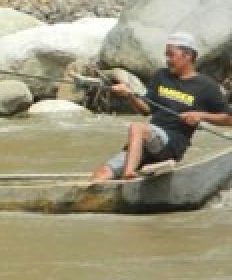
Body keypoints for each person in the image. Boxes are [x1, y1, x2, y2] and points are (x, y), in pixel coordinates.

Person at [92, 32, 231, 181]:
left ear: (188, 55)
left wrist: (201, 116)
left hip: (171, 146)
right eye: (166, 55)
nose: (167, 60)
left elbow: (228, 119)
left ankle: (128, 175)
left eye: (171, 55)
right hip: (146, 142)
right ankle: (120, 177)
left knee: (138, 128)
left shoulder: (207, 86)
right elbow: (146, 110)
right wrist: (129, 95)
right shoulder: (161, 76)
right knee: (101, 173)